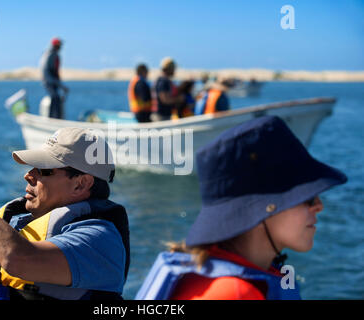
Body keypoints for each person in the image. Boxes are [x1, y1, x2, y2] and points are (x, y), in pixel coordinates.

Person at [136, 115, 347, 300]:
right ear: (262, 207)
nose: (319, 206)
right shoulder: (236, 294)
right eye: (307, 196)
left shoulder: (216, 276)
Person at [0, 127, 129, 300]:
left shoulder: (100, 240)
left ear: (81, 184)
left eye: (44, 170)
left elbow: (17, 258)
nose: (28, 175)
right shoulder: (14, 228)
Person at [40, 37, 69, 119]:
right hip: (49, 81)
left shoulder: (56, 55)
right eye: (59, 45)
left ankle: (58, 118)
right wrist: (59, 84)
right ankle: (51, 118)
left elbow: (56, 72)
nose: (61, 47)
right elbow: (47, 72)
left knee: (58, 98)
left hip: (53, 81)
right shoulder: (49, 54)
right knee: (54, 97)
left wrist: (60, 84)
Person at [151, 57, 184, 122]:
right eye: (173, 69)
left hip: (162, 115)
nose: (174, 71)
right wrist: (178, 99)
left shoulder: (161, 80)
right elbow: (165, 99)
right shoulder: (163, 82)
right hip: (161, 116)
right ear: (169, 69)